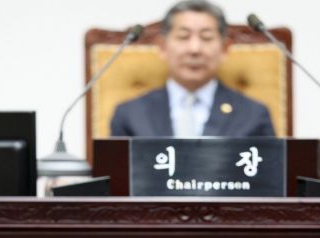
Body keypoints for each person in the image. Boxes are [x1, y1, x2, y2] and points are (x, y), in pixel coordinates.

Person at [110, 0, 276, 137]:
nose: (194, 49)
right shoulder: (130, 114)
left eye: (206, 37)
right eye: (183, 37)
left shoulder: (253, 115)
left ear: (225, 48)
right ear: (162, 47)